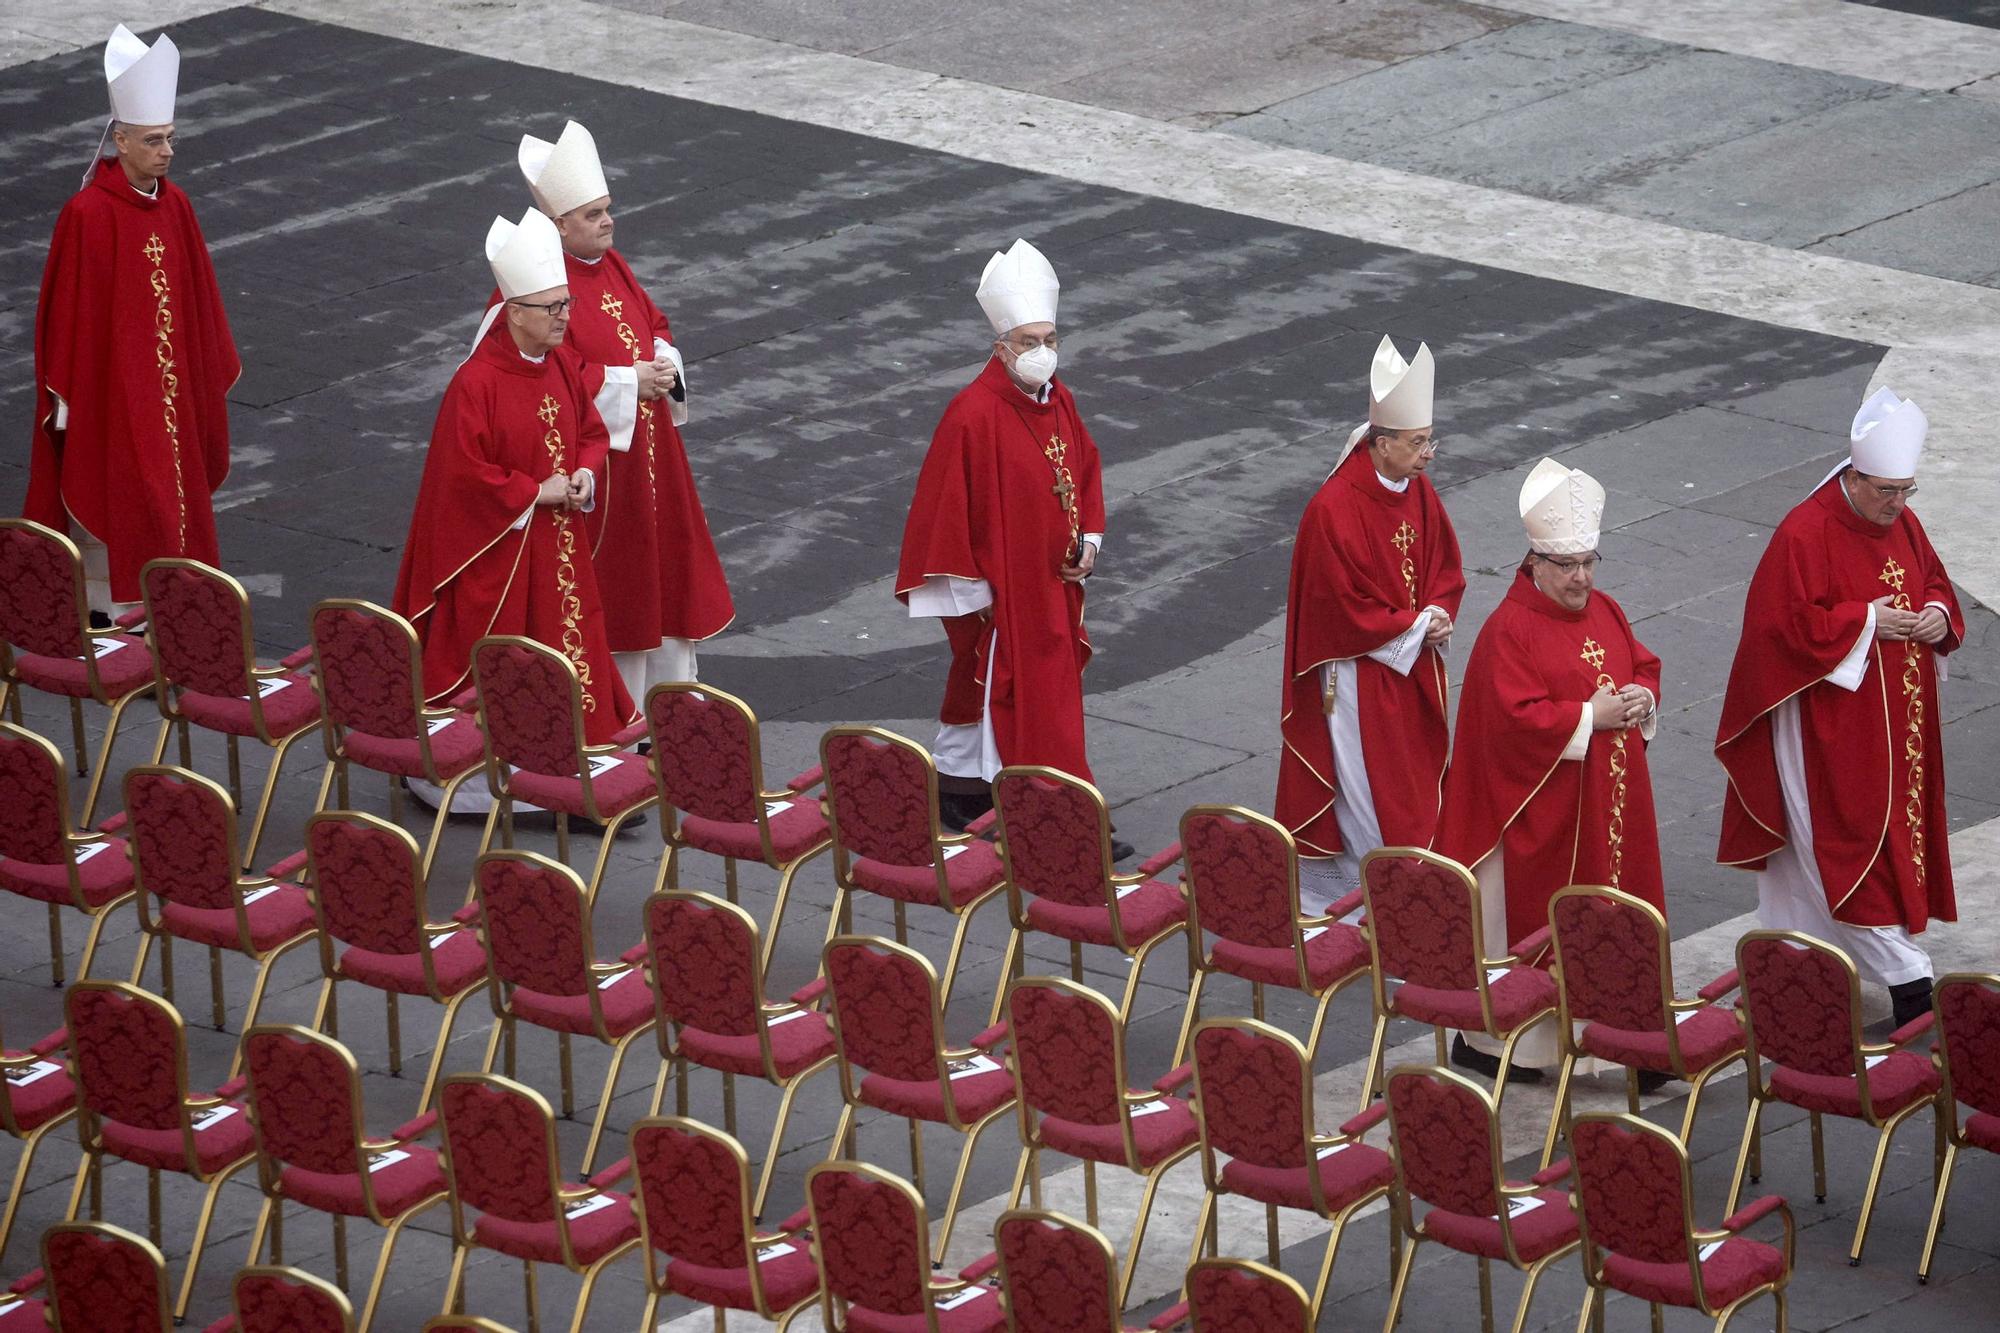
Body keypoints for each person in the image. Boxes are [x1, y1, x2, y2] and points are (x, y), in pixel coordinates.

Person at [1715, 388, 1961, 1025]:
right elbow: (1781, 627)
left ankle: (1797, 964)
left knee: (1825, 845)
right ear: (1854, 476)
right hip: (1828, 720)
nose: (1898, 506)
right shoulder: (1805, 532)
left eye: (1907, 491)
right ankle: (1907, 981)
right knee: (1833, 840)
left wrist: (1935, 614)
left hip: (1897, 718)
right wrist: (1866, 622)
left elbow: (1931, 577)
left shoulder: (1898, 518)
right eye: (1887, 492)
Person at [1435, 458, 1664, 1079]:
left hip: (1611, 802)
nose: (1582, 577)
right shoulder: (1509, 630)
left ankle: (1628, 1037)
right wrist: (1587, 717)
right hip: (1545, 812)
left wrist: (1643, 697)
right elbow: (1509, 723)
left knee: (1620, 912)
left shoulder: (1608, 610)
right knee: (1560, 922)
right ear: (1534, 563)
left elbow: (1640, 665)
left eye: (1590, 562)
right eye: (1568, 566)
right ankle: (1519, 1048)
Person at [895, 239, 1117, 850]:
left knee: (1009, 689)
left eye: (1050, 339)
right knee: (1014, 690)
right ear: (1000, 347)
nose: (1042, 352)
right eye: (1028, 341)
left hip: (1053, 583)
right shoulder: (973, 413)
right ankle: (1044, 808)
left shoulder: (1060, 400)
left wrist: (1088, 542)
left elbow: (1084, 472)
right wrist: (974, 595)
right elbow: (944, 507)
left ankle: (964, 787)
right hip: (1003, 591)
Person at [393, 208, 636, 755]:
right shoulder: (476, 384)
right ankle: (506, 766)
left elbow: (593, 433)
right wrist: (534, 492)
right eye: (551, 308)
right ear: (513, 313)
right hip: (501, 552)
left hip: (559, 545)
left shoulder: (561, 365)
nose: (563, 318)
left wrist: (582, 475)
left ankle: (582, 752)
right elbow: (461, 477)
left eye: (565, 304)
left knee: (572, 640)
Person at [24, 24, 238, 622]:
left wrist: (198, 374)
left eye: (170, 138)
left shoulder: (178, 206)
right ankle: (111, 614)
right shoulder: (88, 215)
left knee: (170, 493)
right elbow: (66, 315)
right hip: (113, 390)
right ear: (120, 140)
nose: (166, 151)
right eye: (152, 140)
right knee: (119, 488)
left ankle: (175, 612)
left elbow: (199, 302)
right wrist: (70, 395)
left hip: (169, 391)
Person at [514, 121, 733, 700]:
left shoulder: (611, 264)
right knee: (624, 587)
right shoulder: (536, 287)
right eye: (592, 214)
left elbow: (651, 322)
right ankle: (620, 710)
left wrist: (662, 360)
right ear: (559, 225)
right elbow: (541, 376)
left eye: (607, 208)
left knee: (666, 574)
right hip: (605, 470)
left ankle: (671, 706)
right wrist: (623, 381)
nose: (608, 221)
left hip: (654, 452)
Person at [1275, 336, 1464, 912]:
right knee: (1366, 790)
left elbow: (1444, 565)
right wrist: (1414, 628)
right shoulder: (1334, 507)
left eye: (1430, 440)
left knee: (1410, 778)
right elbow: (1338, 606)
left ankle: (1406, 886)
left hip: (1408, 663)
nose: (1429, 453)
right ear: (1381, 445)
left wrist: (1436, 612)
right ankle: (1372, 901)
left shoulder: (1418, 490)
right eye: (1417, 443)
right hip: (1358, 675)